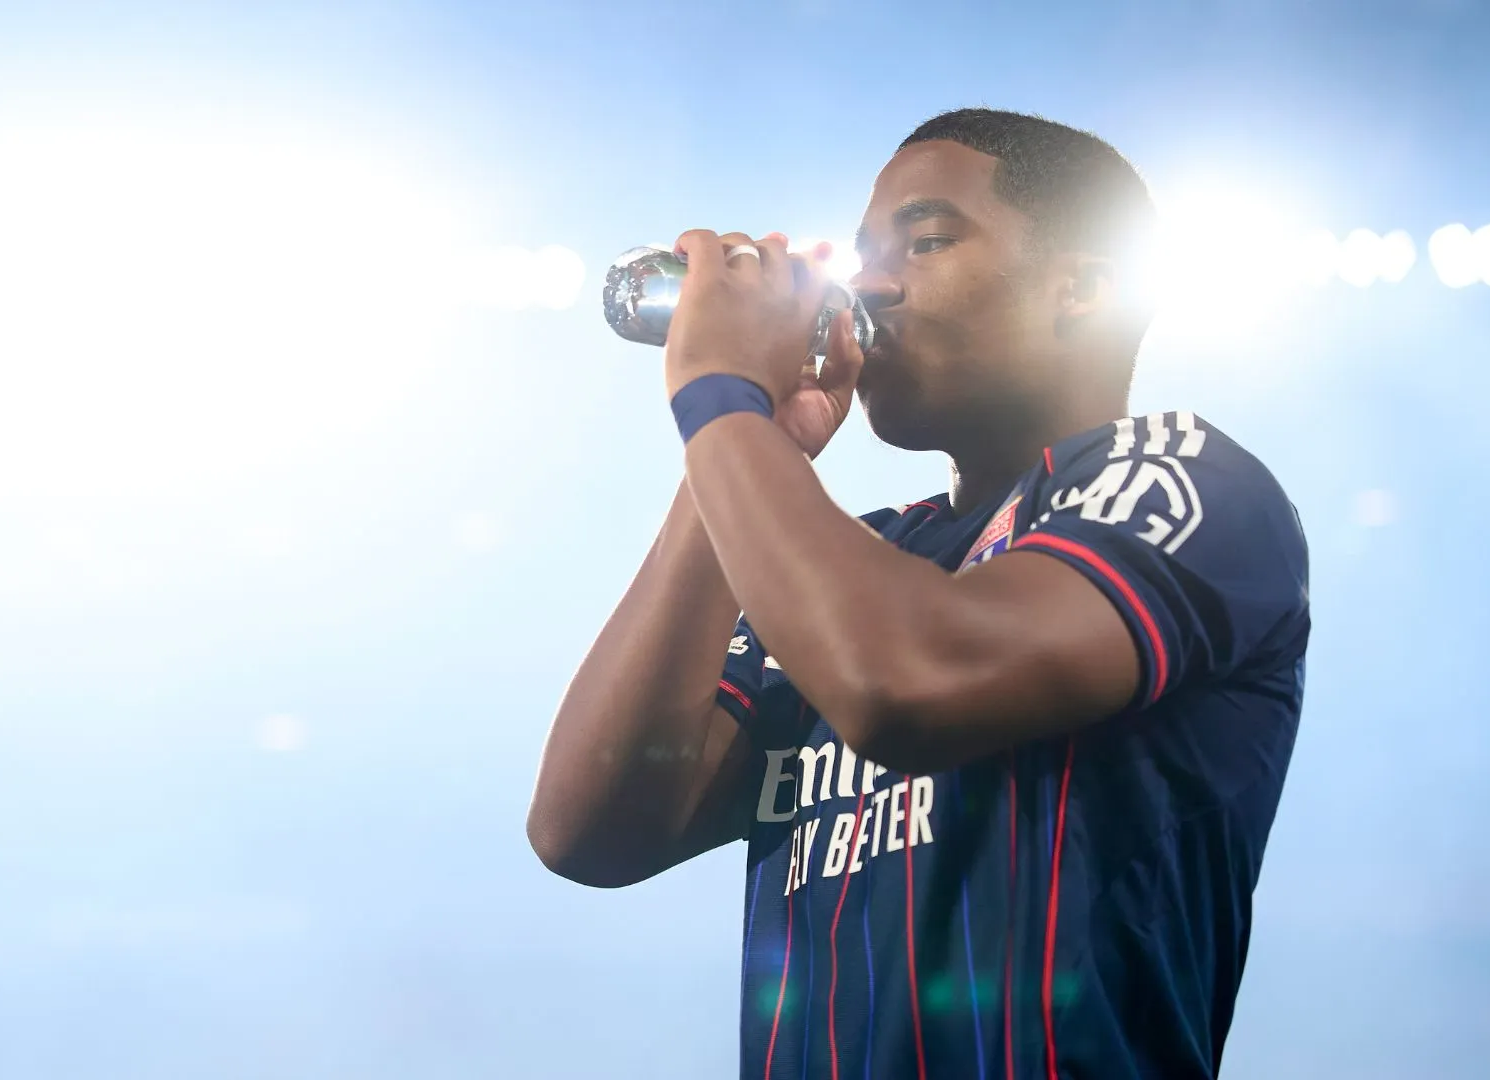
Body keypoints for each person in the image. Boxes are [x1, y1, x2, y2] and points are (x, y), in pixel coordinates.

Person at [527, 108, 1311, 1080]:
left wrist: (720, 403)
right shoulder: (862, 558)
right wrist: (742, 436)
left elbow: (903, 682)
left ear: (1082, 287)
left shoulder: (1185, 478)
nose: (874, 282)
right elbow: (588, 825)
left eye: (926, 240)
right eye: (864, 255)